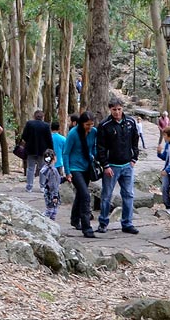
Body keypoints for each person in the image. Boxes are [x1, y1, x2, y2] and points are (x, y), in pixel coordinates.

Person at [95, 98, 141, 234]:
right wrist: (105, 165)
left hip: (127, 164)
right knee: (106, 195)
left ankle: (127, 223)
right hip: (111, 166)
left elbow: (135, 140)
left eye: (119, 109)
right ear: (110, 109)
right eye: (114, 109)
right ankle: (103, 222)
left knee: (128, 194)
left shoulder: (130, 122)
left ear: (122, 109)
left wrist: (134, 158)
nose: (117, 112)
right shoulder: (104, 125)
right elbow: (100, 147)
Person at [64, 112, 98, 238]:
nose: (89, 127)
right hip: (74, 167)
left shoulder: (94, 132)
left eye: (91, 124)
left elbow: (94, 147)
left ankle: (74, 219)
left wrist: (96, 157)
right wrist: (67, 172)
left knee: (80, 194)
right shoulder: (73, 133)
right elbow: (66, 153)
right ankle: (86, 227)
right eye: (87, 124)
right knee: (85, 195)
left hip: (87, 167)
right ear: (81, 123)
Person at [22, 110, 53, 192]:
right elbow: (49, 139)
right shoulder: (46, 126)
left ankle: (29, 186)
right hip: (43, 151)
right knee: (43, 168)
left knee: (30, 168)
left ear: (34, 116)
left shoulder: (29, 124)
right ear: (42, 117)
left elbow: (24, 136)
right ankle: (42, 186)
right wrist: (51, 149)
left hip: (30, 150)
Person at [39, 148, 62, 221]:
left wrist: (63, 179)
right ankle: (44, 221)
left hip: (47, 191)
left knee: (53, 209)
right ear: (54, 158)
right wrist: (55, 195)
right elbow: (54, 183)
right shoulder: (53, 170)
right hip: (52, 193)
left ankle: (52, 222)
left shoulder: (46, 168)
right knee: (51, 210)